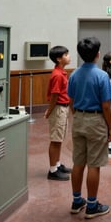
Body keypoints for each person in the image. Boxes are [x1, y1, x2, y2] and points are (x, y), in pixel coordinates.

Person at [67, 37, 111, 219]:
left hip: (78, 118)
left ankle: (77, 200)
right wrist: (110, 128)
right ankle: (92, 206)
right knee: (94, 164)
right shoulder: (102, 76)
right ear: (97, 54)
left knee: (78, 162)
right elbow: (106, 106)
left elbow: (70, 102)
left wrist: (78, 115)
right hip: (96, 121)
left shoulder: (74, 75)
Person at [44, 45, 72, 181]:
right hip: (58, 108)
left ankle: (57, 164)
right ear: (58, 59)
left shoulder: (61, 73)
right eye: (66, 55)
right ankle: (52, 170)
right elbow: (54, 95)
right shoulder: (57, 75)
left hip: (63, 108)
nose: (69, 57)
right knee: (55, 139)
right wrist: (49, 111)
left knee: (59, 138)